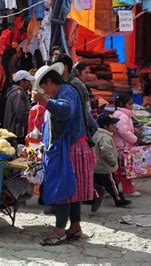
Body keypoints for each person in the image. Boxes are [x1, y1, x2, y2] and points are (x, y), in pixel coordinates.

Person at [32, 63, 95, 246]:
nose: (46, 92)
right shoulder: (65, 91)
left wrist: (44, 101)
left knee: (63, 188)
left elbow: (65, 111)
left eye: (45, 88)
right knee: (72, 191)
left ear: (50, 82)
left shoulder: (66, 92)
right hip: (71, 146)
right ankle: (75, 226)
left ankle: (60, 230)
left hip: (70, 148)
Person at [92, 113, 132, 210]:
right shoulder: (105, 137)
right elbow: (106, 151)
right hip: (105, 166)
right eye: (112, 124)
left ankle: (96, 195)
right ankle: (118, 199)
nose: (114, 126)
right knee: (112, 184)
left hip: (96, 165)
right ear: (106, 126)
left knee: (96, 183)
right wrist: (112, 161)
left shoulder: (98, 134)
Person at [113, 94, 141, 197]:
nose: (131, 106)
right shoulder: (123, 115)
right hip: (124, 146)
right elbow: (123, 131)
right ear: (122, 104)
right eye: (129, 104)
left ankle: (110, 186)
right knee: (127, 170)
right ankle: (128, 190)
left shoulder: (118, 114)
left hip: (120, 145)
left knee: (120, 170)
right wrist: (134, 138)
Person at [3, 70, 35, 143]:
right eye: (27, 81)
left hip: (11, 130)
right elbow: (21, 114)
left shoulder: (15, 91)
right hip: (15, 131)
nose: (29, 83)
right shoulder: (18, 93)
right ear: (21, 81)